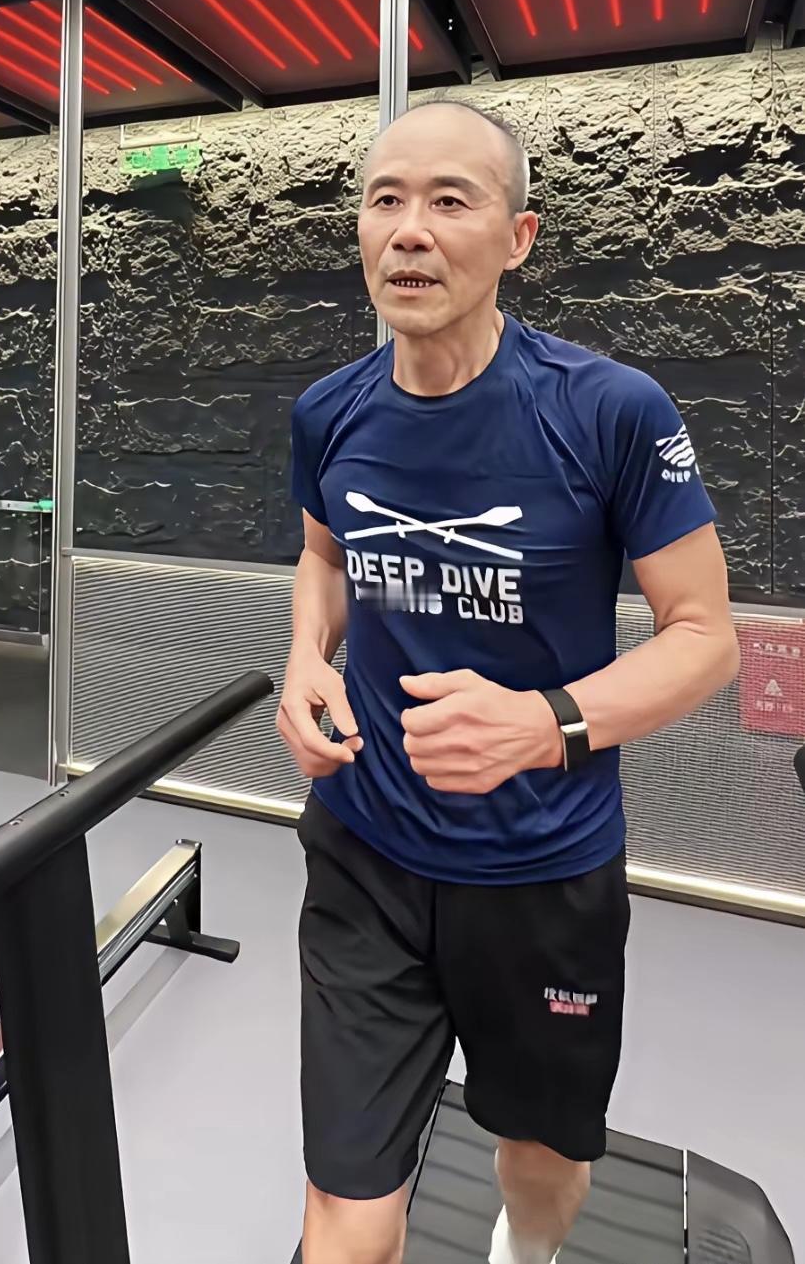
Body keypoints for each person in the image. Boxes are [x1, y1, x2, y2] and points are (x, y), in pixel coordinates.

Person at [279, 101, 739, 1264]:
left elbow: (704, 637)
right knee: (347, 1218)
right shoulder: (329, 411)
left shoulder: (610, 409)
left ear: (519, 237)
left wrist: (547, 723)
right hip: (366, 849)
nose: (410, 230)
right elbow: (324, 555)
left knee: (541, 1164)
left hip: (542, 873)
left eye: (450, 200)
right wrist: (305, 655)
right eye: (385, 200)